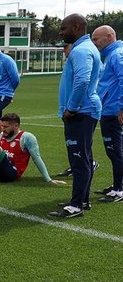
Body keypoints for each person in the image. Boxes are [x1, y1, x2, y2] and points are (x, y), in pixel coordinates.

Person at [50, 13, 102, 218]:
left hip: (81, 112)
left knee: (79, 159)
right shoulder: (86, 48)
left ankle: (76, 205)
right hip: (85, 110)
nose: (61, 32)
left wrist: (71, 108)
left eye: (64, 28)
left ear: (78, 27)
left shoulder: (81, 51)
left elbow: (82, 81)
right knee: (84, 157)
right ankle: (82, 199)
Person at [91, 25, 123, 202]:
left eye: (96, 39)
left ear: (109, 36)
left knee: (115, 151)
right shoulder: (112, 54)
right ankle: (118, 184)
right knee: (115, 151)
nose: (94, 42)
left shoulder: (117, 54)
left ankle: (119, 190)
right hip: (109, 109)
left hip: (113, 111)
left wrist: (122, 108)